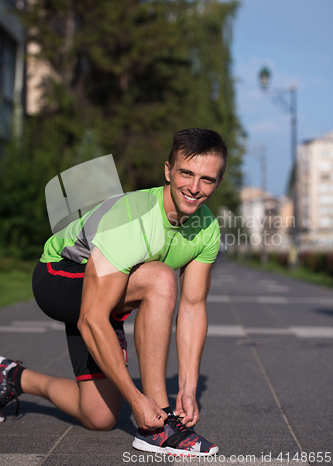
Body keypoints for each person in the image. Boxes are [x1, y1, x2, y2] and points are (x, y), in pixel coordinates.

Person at [0, 128, 227, 457]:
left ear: (218, 182)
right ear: (168, 171)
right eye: (186, 173)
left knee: (99, 415)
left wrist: (189, 389)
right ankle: (157, 429)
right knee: (161, 279)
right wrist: (140, 402)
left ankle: (11, 377)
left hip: (111, 291)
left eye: (206, 179)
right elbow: (91, 318)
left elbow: (193, 308)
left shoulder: (206, 228)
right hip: (58, 275)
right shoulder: (131, 220)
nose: (194, 188)